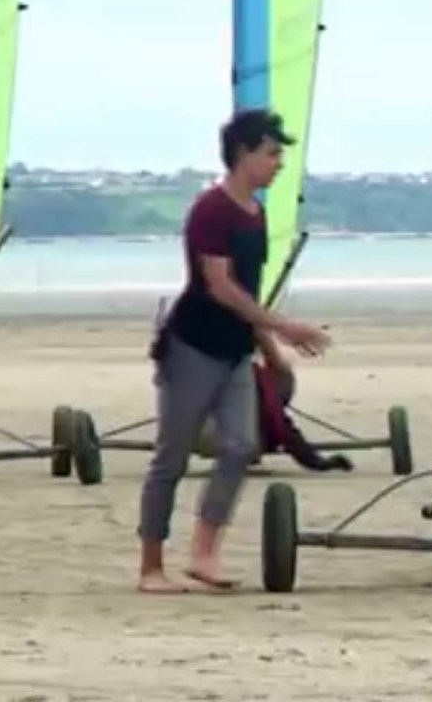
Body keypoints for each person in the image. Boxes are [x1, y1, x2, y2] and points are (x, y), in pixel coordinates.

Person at [137, 108, 330, 594]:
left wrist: (270, 348)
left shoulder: (256, 212)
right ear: (243, 154)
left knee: (242, 445)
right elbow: (219, 286)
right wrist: (284, 326)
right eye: (271, 153)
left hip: (236, 350)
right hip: (192, 347)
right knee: (172, 457)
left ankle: (203, 554)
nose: (278, 163)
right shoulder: (212, 209)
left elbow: (249, 291)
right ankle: (151, 568)